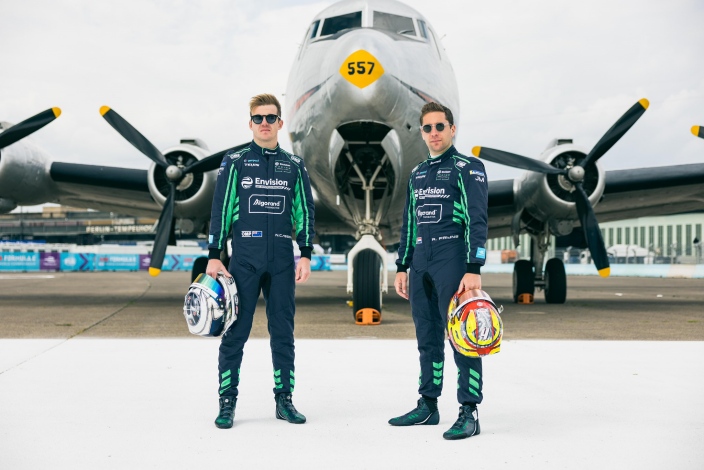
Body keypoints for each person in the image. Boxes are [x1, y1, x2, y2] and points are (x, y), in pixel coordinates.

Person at [206, 93, 315, 429]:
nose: (264, 123)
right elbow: (220, 210)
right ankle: (227, 402)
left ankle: (285, 400)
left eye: (270, 118)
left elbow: (304, 211)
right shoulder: (235, 162)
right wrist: (214, 256)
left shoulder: (294, 166)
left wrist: (306, 253)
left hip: (282, 260)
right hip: (245, 261)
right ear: (250, 123)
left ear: (280, 123)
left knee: (283, 333)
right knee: (235, 333)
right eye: (258, 118)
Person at [390, 102, 489, 440]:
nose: (434, 133)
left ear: (452, 129)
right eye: (428, 128)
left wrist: (474, 267)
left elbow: (478, 220)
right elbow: (409, 223)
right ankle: (428, 404)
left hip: (453, 260)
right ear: (422, 132)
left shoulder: (468, 168)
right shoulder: (417, 174)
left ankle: (469, 411)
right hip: (421, 262)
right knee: (427, 338)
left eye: (440, 126)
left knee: (464, 337)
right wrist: (402, 265)